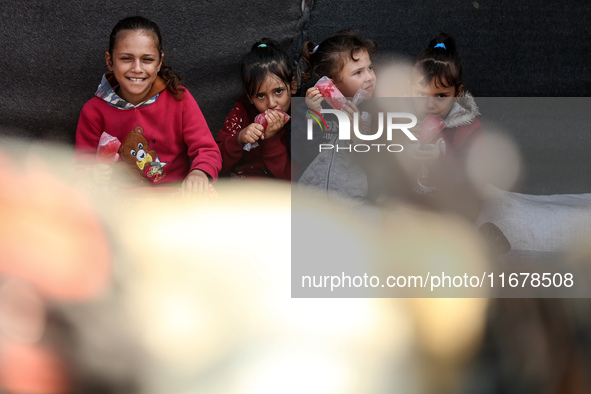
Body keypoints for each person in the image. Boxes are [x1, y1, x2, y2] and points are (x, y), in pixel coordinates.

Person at [74, 16, 221, 197]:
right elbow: (80, 170)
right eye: (126, 58)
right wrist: (94, 175)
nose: (137, 68)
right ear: (110, 61)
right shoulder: (94, 111)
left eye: (147, 59)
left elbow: (207, 150)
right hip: (120, 201)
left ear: (159, 62)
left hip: (173, 197)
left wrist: (199, 173)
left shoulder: (179, 99)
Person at [293, 28, 378, 203]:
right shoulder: (308, 109)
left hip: (355, 203)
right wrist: (314, 116)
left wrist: (358, 136)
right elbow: (301, 156)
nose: (369, 77)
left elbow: (378, 167)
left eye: (370, 68)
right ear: (331, 83)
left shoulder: (376, 111)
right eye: (358, 72)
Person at [216, 38, 294, 180]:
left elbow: (292, 178)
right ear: (250, 97)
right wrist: (239, 139)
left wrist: (272, 139)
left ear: (293, 86)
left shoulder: (300, 119)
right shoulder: (241, 113)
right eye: (260, 96)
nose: (271, 103)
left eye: (278, 91)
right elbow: (217, 163)